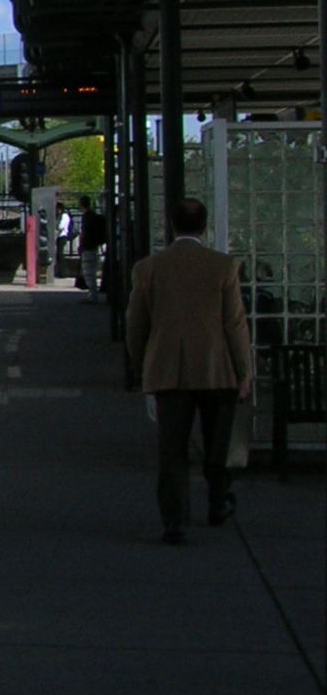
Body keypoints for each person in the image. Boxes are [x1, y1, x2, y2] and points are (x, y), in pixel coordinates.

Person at [125, 198, 254, 545]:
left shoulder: (148, 268)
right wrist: (243, 371)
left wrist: (141, 366)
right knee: (218, 444)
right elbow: (235, 324)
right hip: (216, 369)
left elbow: (136, 325)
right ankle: (216, 503)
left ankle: (174, 521)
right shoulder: (223, 267)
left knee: (172, 450)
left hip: (168, 371)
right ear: (204, 227)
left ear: (171, 225)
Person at [77, 197, 107, 302]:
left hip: (88, 247)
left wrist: (81, 245)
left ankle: (92, 296)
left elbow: (84, 233)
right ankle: (92, 295)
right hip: (93, 246)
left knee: (89, 273)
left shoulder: (87, 217)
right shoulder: (93, 216)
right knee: (91, 272)